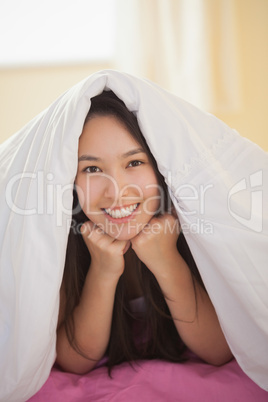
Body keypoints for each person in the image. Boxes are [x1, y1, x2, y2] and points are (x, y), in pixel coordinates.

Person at [56, 90, 232, 375]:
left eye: (134, 162)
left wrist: (166, 260)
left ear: (162, 166)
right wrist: (102, 270)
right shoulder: (59, 242)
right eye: (91, 168)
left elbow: (219, 350)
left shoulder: (198, 226)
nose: (117, 191)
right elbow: (74, 360)